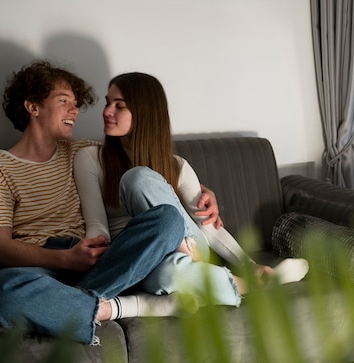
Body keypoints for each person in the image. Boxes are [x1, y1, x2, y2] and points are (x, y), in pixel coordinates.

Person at [0, 61, 223, 345]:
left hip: (103, 262)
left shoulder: (83, 151)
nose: (74, 111)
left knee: (168, 219)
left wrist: (199, 190)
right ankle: (129, 305)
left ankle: (75, 304)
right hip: (41, 267)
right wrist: (66, 259)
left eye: (76, 104)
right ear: (32, 107)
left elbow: (146, 163)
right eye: (64, 102)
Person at [74, 72, 309, 308]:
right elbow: (97, 224)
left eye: (119, 106)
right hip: (138, 255)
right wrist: (101, 258)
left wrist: (248, 262)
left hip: (190, 244)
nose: (106, 111)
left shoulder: (177, 165)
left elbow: (209, 226)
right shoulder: (90, 158)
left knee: (137, 178)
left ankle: (188, 250)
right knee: (167, 275)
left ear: (144, 112)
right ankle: (256, 284)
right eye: (108, 103)